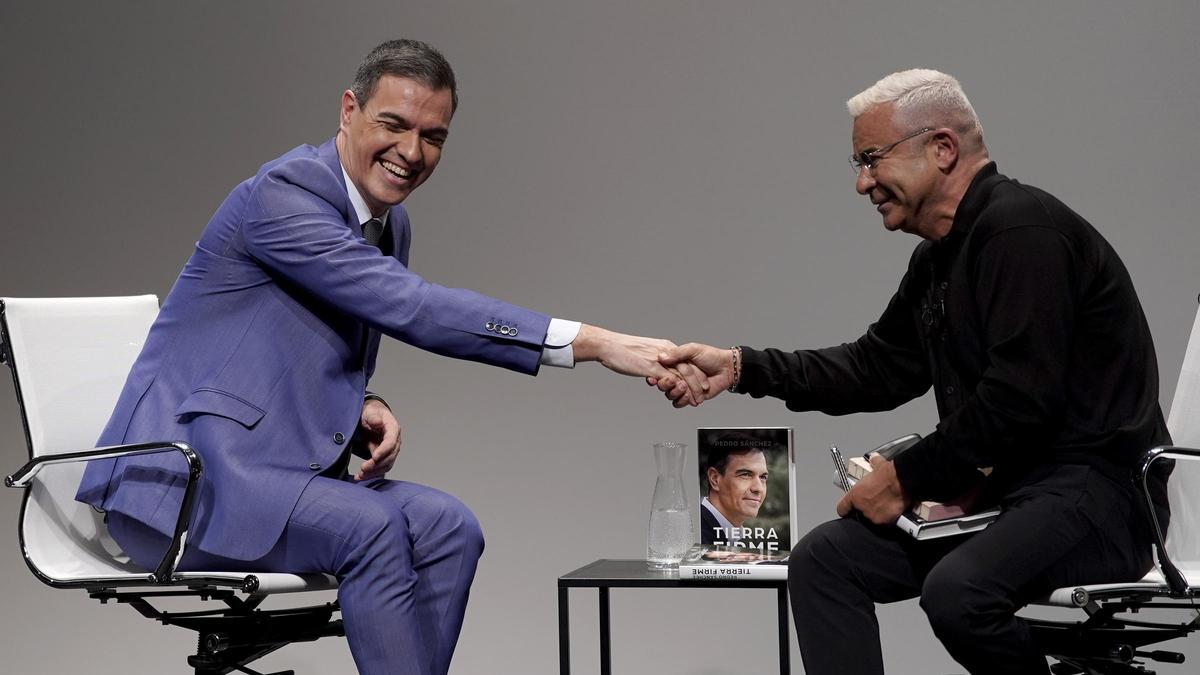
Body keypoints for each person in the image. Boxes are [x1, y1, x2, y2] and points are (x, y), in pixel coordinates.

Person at [74, 39, 701, 675]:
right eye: (393, 124)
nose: (411, 152)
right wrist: (593, 342)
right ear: (349, 110)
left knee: (450, 528)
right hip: (181, 486)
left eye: (433, 136)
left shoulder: (386, 224)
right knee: (368, 528)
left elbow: (305, 336)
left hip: (279, 474)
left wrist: (368, 402)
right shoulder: (282, 196)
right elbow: (413, 309)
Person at [652, 69, 1170, 674]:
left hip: (1101, 500)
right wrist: (741, 368)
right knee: (825, 559)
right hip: (1011, 499)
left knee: (958, 593)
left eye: (871, 159)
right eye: (856, 164)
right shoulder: (938, 259)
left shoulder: (1023, 231)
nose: (861, 182)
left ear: (942, 149)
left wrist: (905, 478)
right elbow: (876, 368)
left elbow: (1020, 400)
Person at [700, 442, 768, 546]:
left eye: (763, 477)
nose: (758, 488)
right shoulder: (694, 533)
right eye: (745, 475)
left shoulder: (742, 539)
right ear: (715, 479)